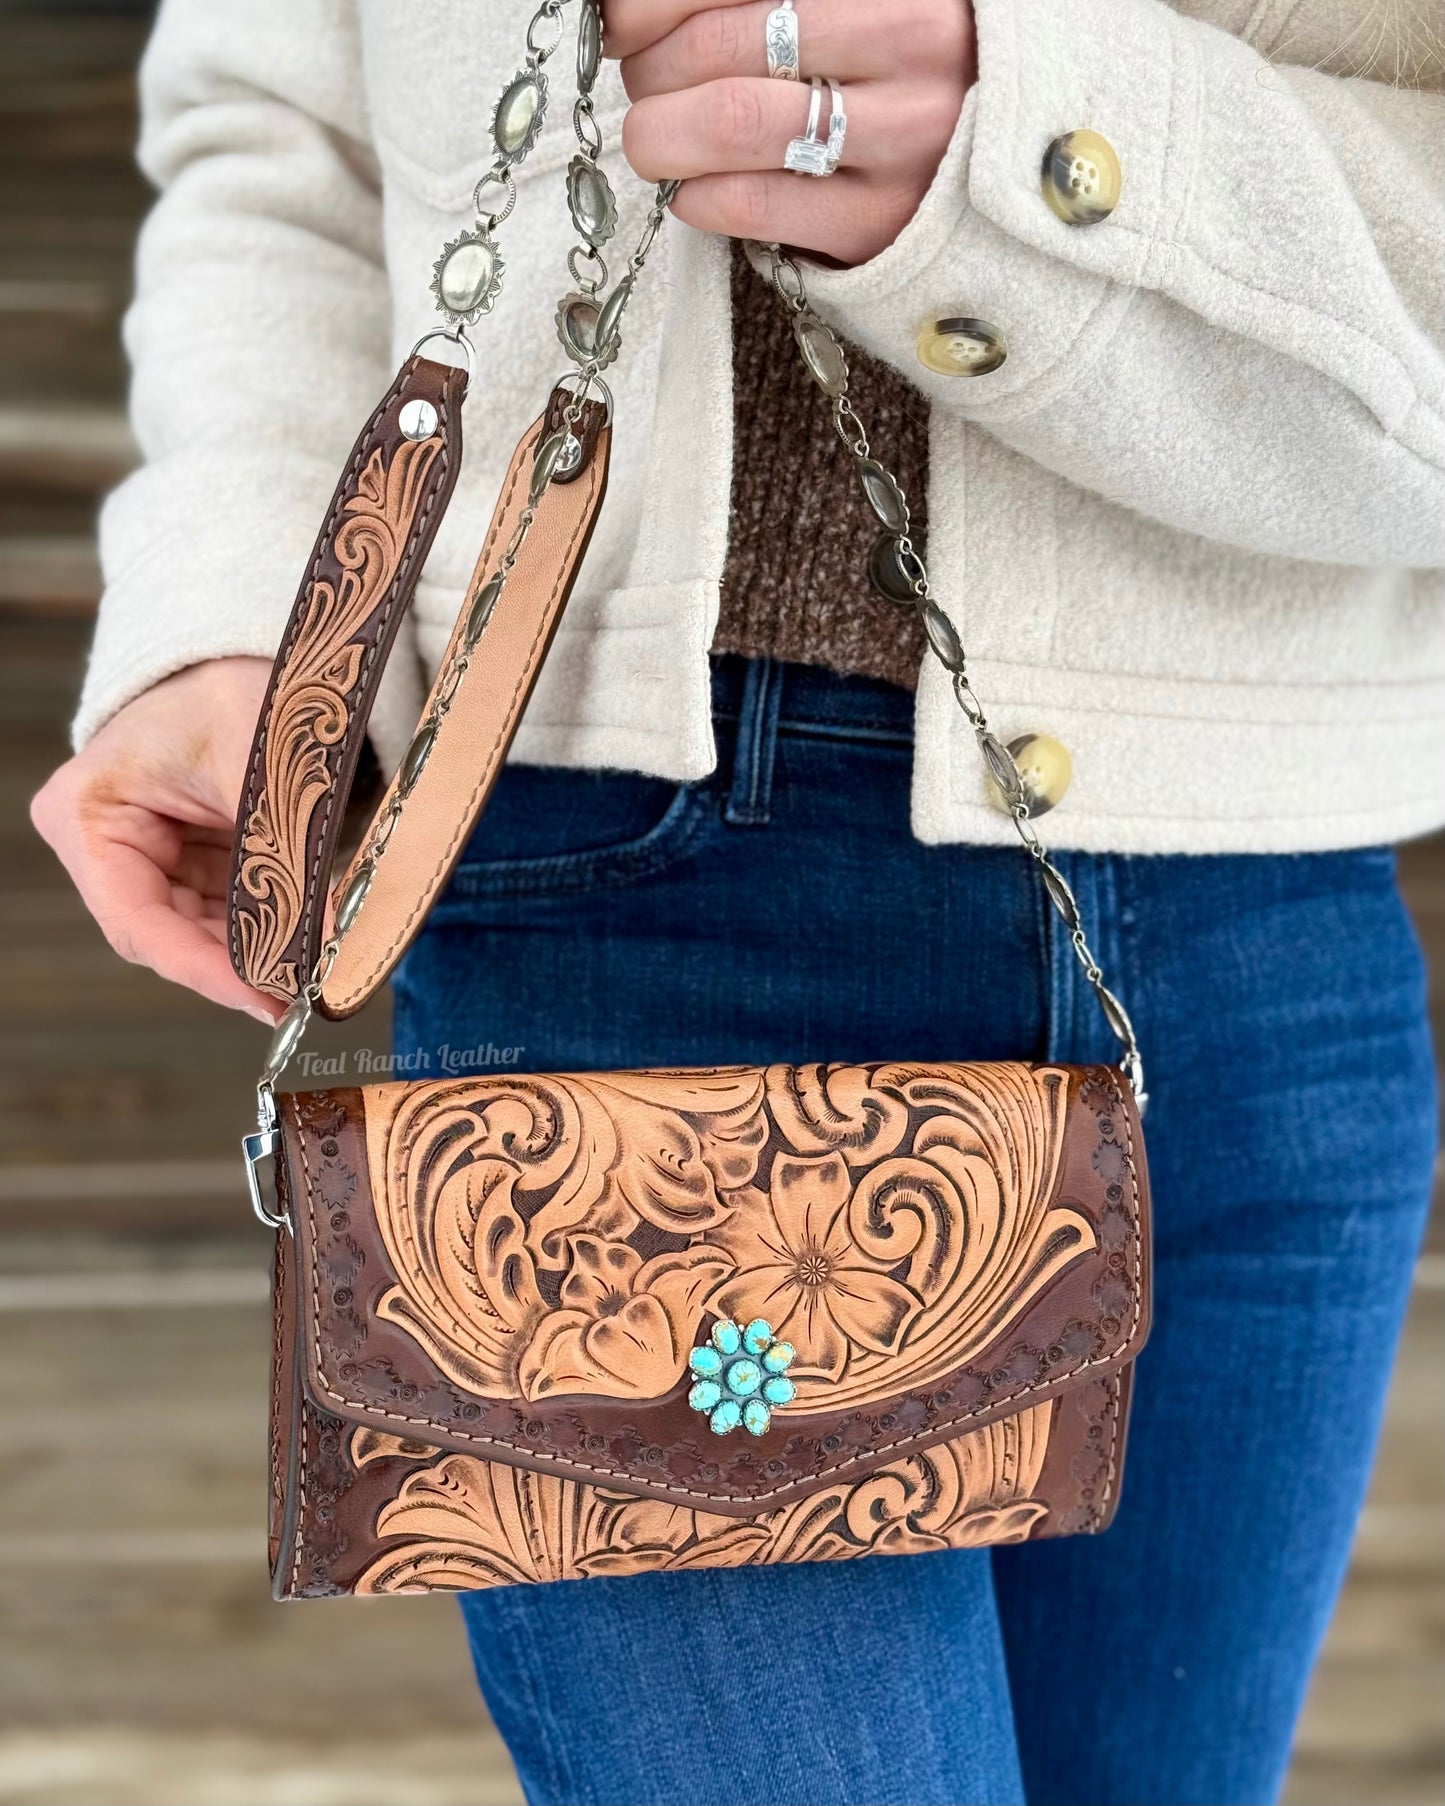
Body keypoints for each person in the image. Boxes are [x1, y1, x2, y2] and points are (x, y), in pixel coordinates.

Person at [30, 1, 1444, 1801]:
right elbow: (283, 133)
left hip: (1262, 933)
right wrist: (239, 613)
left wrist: (1046, 151)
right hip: (617, 919)